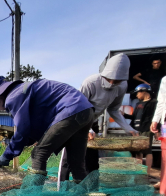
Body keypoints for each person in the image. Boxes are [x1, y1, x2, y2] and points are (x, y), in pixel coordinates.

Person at [0, 76, 94, 182]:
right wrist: (25, 142)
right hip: (86, 111)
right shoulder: (24, 90)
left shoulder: (13, 97)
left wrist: (7, 155)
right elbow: (32, 128)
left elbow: (22, 130)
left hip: (70, 110)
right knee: (76, 163)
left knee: (39, 153)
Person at [59, 54, 138, 182]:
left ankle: (92, 189)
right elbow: (78, 108)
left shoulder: (122, 86)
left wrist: (128, 129)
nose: (112, 83)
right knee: (69, 158)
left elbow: (113, 109)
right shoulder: (91, 82)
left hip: (92, 122)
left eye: (116, 81)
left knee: (91, 159)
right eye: (109, 79)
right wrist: (87, 130)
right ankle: (62, 188)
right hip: (75, 121)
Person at [124, 84, 157, 173]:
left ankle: (148, 172)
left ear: (143, 91)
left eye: (138, 93)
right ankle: (138, 171)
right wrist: (124, 115)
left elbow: (156, 117)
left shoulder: (153, 103)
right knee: (137, 151)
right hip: (136, 130)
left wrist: (158, 130)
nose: (137, 95)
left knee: (147, 151)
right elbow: (134, 117)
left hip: (146, 129)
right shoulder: (138, 104)